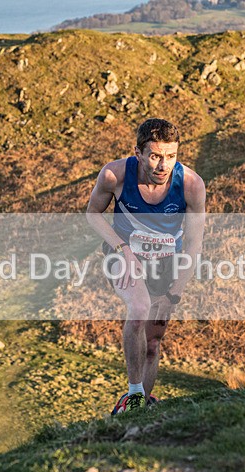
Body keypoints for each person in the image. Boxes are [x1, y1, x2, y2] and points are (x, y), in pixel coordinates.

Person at [86, 118, 206, 414]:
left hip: (166, 265)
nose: (163, 165)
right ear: (138, 152)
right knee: (138, 309)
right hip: (123, 256)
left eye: (171, 156)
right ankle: (134, 394)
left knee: (152, 344)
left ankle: (138, 410)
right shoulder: (114, 175)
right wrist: (122, 248)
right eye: (154, 156)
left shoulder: (191, 185)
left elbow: (193, 245)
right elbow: (92, 214)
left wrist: (173, 295)